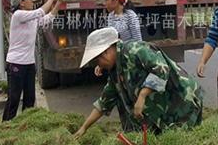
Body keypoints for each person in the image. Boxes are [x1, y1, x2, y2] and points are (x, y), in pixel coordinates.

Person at [74, 27, 203, 138]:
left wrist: (142, 96)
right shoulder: (116, 71)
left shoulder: (135, 50)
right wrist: (84, 128)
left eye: (98, 61)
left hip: (183, 100)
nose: (98, 66)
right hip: (162, 110)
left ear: (106, 52)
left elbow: (161, 69)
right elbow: (104, 103)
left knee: (180, 144)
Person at [2, 0, 64, 121]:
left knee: (30, 99)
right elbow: (41, 12)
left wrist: (59, 2)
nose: (32, 1)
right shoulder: (18, 15)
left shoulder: (31, 18)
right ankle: (6, 126)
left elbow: (48, 18)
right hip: (16, 64)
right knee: (14, 98)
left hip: (29, 64)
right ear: (21, 3)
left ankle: (26, 125)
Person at [94, 0, 142, 76]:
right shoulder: (110, 17)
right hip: (116, 62)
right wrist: (102, 64)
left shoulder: (130, 16)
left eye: (106, 0)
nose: (105, 3)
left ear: (115, 0)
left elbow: (138, 42)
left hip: (130, 61)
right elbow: (110, 42)